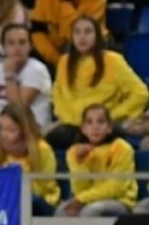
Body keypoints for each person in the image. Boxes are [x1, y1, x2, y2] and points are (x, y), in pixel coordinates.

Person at [49, 14, 148, 148]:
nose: (82, 37)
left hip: (105, 125)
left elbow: (140, 93)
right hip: (71, 124)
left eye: (88, 32)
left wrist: (109, 116)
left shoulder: (113, 61)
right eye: (77, 32)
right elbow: (57, 97)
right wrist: (74, 120)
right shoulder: (64, 62)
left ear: (97, 36)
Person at [57, 103, 139, 216]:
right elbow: (80, 189)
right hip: (86, 199)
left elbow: (117, 187)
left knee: (90, 211)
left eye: (100, 122)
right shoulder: (74, 152)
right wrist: (79, 163)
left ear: (109, 128)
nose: (95, 127)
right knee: (61, 211)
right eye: (89, 122)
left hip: (119, 200)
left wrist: (81, 199)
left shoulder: (122, 148)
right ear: (83, 129)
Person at [0, 102, 59, 216]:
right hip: (9, 199)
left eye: (11, 130)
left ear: (25, 131)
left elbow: (45, 187)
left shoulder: (41, 150)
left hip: (41, 200)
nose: (4, 135)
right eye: (2, 129)